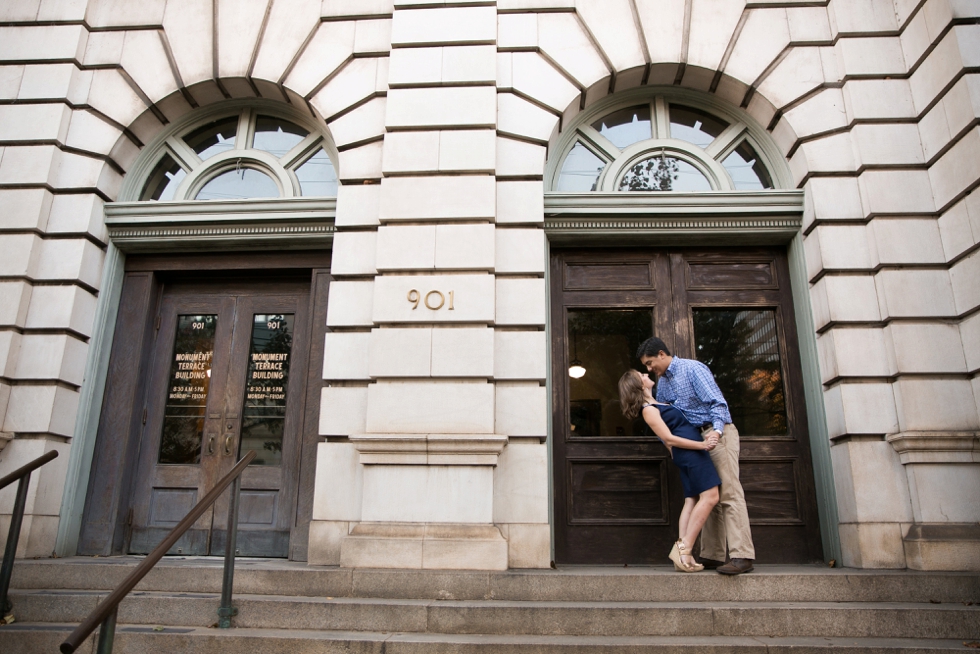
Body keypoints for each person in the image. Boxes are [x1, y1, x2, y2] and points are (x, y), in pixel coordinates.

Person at [637, 336, 756, 575]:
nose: (649, 369)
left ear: (662, 354)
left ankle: (742, 555)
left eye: (650, 363)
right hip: (693, 441)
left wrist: (717, 433)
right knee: (708, 494)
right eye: (646, 366)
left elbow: (718, 404)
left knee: (729, 493)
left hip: (714, 432)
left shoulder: (692, 369)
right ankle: (712, 555)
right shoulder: (662, 384)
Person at [618, 369, 720, 572]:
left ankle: (684, 555)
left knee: (691, 500)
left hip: (688, 452)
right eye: (642, 376)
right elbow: (669, 438)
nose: (647, 375)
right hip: (691, 452)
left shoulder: (656, 403)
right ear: (639, 385)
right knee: (710, 496)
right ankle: (685, 549)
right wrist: (701, 446)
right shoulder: (648, 409)